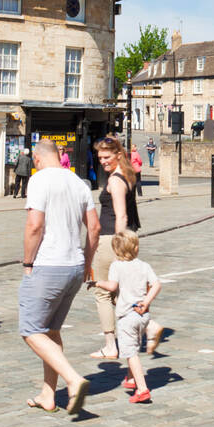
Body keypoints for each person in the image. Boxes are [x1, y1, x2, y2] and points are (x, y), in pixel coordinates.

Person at [20, 139, 99, 416]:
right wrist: (87, 262)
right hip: (74, 266)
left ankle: (73, 379)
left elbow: (35, 225)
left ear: (38, 159)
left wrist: (28, 264)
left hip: (48, 265)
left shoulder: (39, 180)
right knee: (51, 331)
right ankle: (48, 394)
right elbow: (95, 228)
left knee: (30, 330)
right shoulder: (79, 183)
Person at [95, 230, 164, 404]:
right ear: (136, 248)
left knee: (131, 353)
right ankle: (131, 379)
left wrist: (97, 283)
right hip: (143, 315)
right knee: (133, 345)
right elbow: (156, 284)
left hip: (127, 317)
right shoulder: (144, 265)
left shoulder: (116, 266)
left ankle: (142, 389)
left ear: (115, 251)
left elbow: (111, 286)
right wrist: (146, 301)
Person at [88, 136, 140, 360]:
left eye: (107, 157)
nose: (102, 161)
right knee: (122, 292)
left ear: (118, 154)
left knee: (102, 292)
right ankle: (147, 327)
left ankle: (111, 345)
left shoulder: (116, 180)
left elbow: (121, 215)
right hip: (124, 237)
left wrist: (118, 246)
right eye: (100, 157)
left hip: (111, 240)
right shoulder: (127, 174)